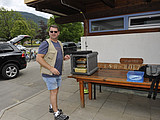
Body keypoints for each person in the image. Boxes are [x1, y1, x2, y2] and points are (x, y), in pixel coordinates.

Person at [36, 25, 70, 120]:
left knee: (55, 90)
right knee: (54, 91)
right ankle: (56, 114)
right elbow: (38, 58)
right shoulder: (45, 43)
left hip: (58, 72)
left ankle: (52, 107)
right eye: (51, 31)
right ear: (49, 33)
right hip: (49, 73)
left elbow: (56, 57)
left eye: (55, 32)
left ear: (58, 33)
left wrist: (64, 58)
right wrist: (51, 68)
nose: (53, 33)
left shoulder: (59, 43)